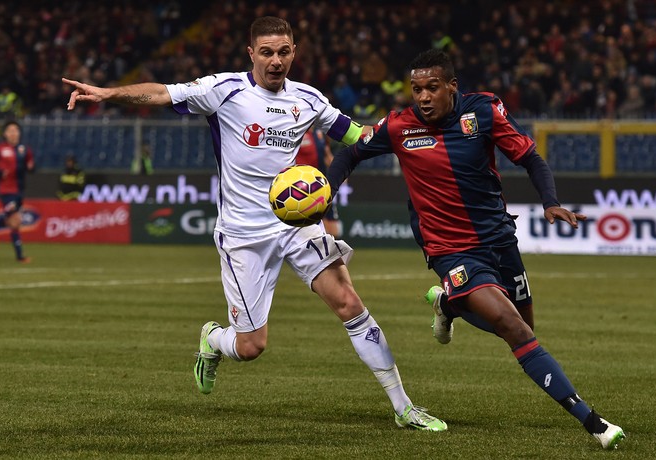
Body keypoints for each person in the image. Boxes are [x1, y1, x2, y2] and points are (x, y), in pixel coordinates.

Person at [62, 16, 446, 431]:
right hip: (244, 235)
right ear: (251, 53)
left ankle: (403, 407)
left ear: (294, 53)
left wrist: (413, 130)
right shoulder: (224, 91)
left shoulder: (308, 99)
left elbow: (357, 135)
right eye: (266, 52)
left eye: (283, 52)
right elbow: (159, 93)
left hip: (296, 224)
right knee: (250, 346)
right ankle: (213, 338)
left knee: (350, 304)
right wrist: (107, 93)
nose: (275, 61)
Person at [326, 49, 625, 449]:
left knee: (524, 328)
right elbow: (350, 152)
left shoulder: (483, 112)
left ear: (452, 86)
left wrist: (549, 201)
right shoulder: (398, 126)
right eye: (417, 89)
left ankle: (448, 305)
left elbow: (531, 159)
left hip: (499, 239)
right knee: (512, 327)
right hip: (450, 249)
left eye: (432, 87)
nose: (424, 97)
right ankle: (594, 423)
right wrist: (324, 191)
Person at [0, 120, 34, 263]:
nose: (13, 133)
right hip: (6, 190)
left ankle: (19, 255)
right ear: (5, 133)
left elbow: (31, 166)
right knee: (15, 220)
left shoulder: (25, 149)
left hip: (20, 190)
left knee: (14, 223)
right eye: (10, 130)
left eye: (15, 130)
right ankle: (20, 256)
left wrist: (31, 167)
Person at [295, 126, 342, 237]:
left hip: (321, 185)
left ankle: (328, 249)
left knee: (333, 229)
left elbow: (327, 155)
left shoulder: (318, 133)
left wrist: (340, 171)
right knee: (307, 225)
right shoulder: (296, 132)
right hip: (301, 187)